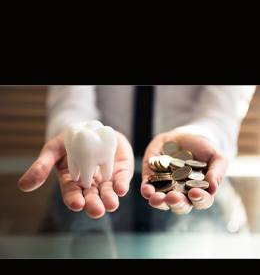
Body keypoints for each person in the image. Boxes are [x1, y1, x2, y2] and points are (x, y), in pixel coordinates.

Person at [18, 86, 256, 218]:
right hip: (98, 186)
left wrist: (203, 136)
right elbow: (71, 99)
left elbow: (222, 109)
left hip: (208, 222)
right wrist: (72, 130)